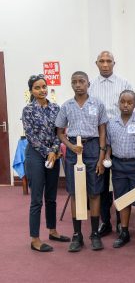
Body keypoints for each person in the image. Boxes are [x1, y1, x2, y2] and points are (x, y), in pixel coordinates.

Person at [56, 71, 108, 252]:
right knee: (75, 191)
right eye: (74, 82)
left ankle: (94, 233)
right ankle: (77, 235)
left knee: (94, 192)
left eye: (81, 81)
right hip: (73, 151)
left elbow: (102, 131)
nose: (78, 85)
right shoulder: (66, 106)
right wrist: (70, 146)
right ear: (71, 85)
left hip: (93, 148)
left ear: (88, 84)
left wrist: (101, 156)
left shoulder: (98, 104)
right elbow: (60, 133)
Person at [23, 74, 70, 252]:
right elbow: (31, 136)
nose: (42, 90)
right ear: (31, 91)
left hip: (53, 154)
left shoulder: (55, 108)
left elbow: (60, 132)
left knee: (51, 196)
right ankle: (35, 238)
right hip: (36, 155)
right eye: (37, 87)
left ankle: (53, 231)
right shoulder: (27, 110)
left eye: (44, 87)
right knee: (36, 198)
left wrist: (55, 149)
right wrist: (48, 151)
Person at [89, 50, 132, 237]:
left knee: (121, 182)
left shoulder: (124, 83)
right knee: (103, 183)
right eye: (102, 61)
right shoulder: (90, 86)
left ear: (115, 63)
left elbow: (130, 110)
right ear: (96, 63)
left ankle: (124, 224)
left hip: (121, 140)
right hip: (99, 140)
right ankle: (105, 222)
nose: (105, 64)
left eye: (109, 61)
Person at [105, 90, 135, 249]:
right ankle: (124, 232)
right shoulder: (111, 123)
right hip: (118, 166)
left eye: (129, 102)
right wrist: (106, 158)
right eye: (122, 102)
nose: (125, 105)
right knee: (122, 200)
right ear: (118, 103)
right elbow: (109, 145)